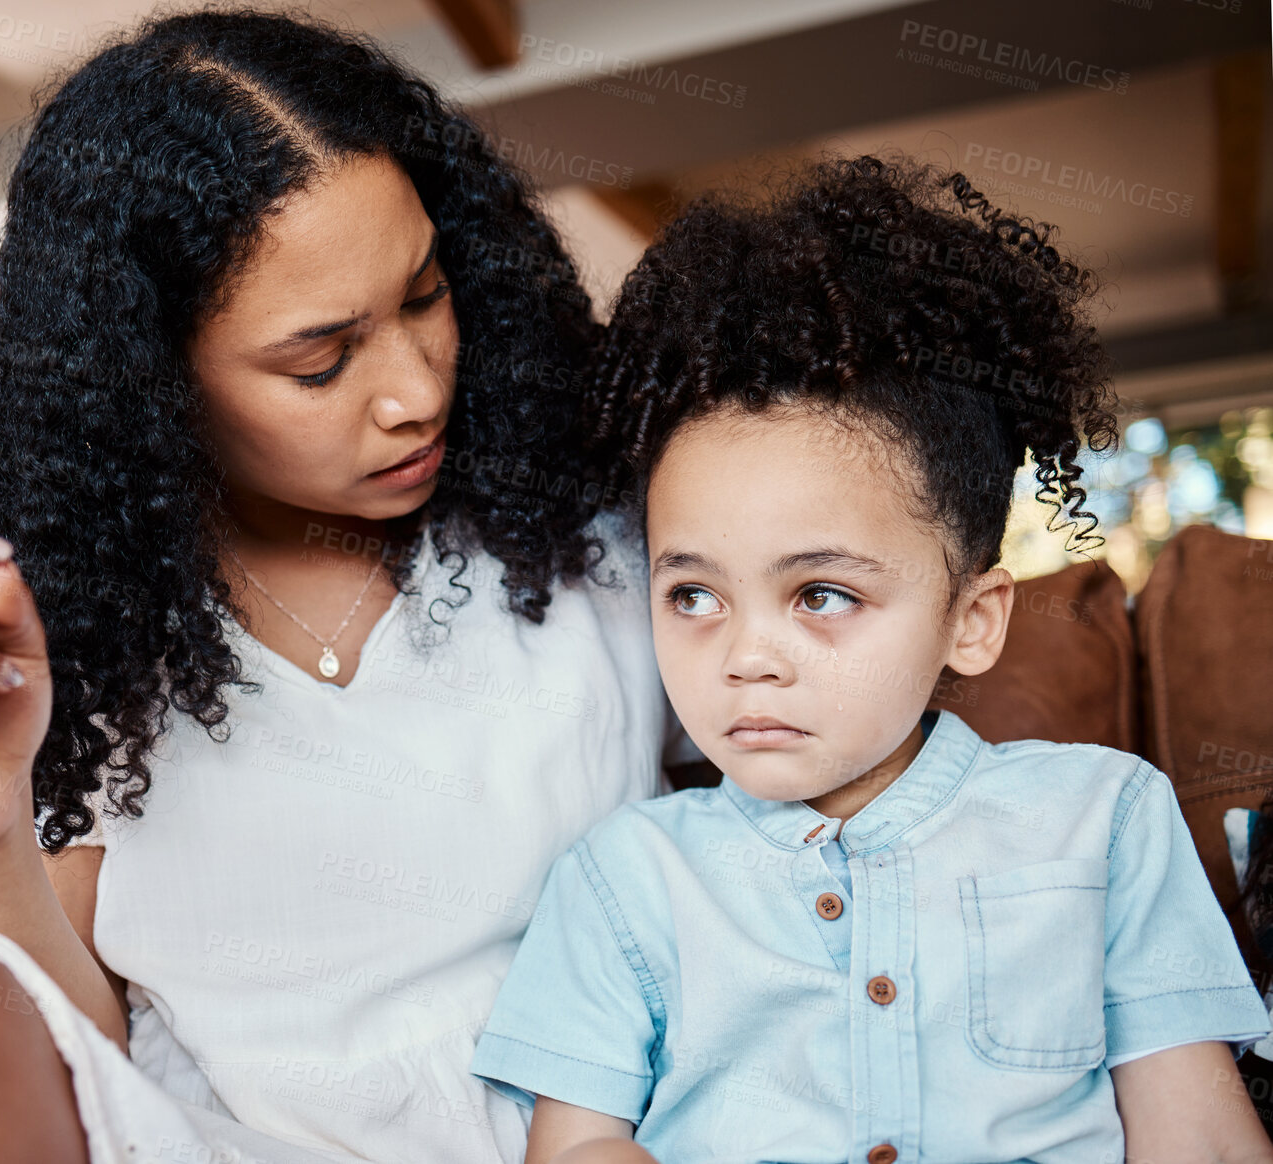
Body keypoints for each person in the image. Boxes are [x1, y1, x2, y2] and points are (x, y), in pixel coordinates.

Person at [0, 9, 701, 1164]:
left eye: (425, 295)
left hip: (600, 1138)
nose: (413, 392)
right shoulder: (83, 634)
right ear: (151, 382)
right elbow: (69, 1061)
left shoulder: (598, 526)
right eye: (318, 359)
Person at [467, 156, 1273, 1164]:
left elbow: (1196, 1138)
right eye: (693, 597)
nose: (745, 658)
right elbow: (575, 1146)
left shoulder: (1104, 820)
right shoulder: (624, 875)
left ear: (971, 620)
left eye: (822, 595)